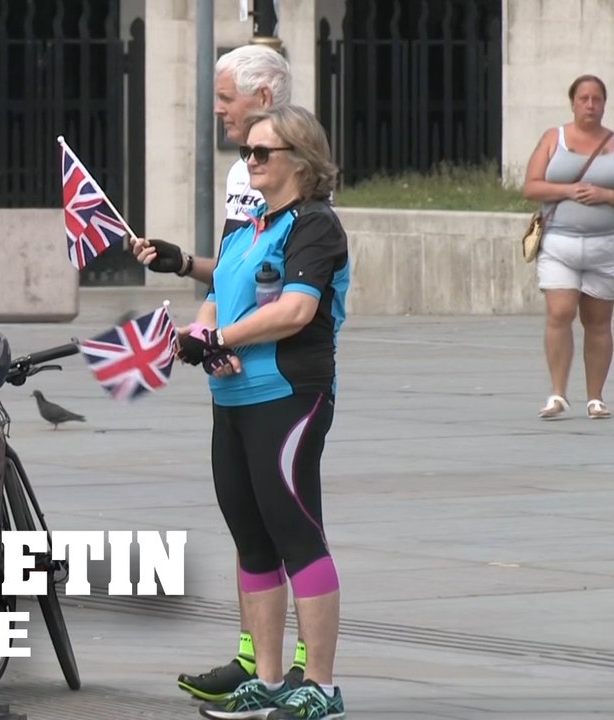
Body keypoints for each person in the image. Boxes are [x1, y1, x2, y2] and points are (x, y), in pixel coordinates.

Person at [130, 44, 310, 701]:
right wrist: (184, 268)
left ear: (265, 99)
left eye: (226, 96)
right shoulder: (245, 170)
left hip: (276, 376)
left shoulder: (291, 167)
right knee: (246, 523)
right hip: (230, 366)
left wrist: (226, 332)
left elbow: (285, 279)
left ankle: (303, 667)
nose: (217, 109)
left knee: (288, 526)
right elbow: (237, 262)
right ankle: (251, 658)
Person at [177, 104, 349, 720]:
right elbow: (219, 298)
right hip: (233, 402)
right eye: (245, 152)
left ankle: (321, 687)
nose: (248, 162)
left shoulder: (315, 226)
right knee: (252, 541)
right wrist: (201, 336)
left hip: (289, 396)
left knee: (295, 532)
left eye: (260, 153)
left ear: (300, 161)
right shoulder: (243, 227)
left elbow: (296, 310)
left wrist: (225, 338)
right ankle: (269, 683)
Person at [523, 74, 614, 420]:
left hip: (606, 245)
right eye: (583, 99)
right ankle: (558, 393)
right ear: (572, 103)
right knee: (560, 313)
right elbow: (531, 187)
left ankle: (596, 397)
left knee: (598, 322)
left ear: (604, 104)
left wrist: (607, 195)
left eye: (596, 99)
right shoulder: (553, 139)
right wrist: (566, 190)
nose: (590, 105)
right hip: (560, 242)